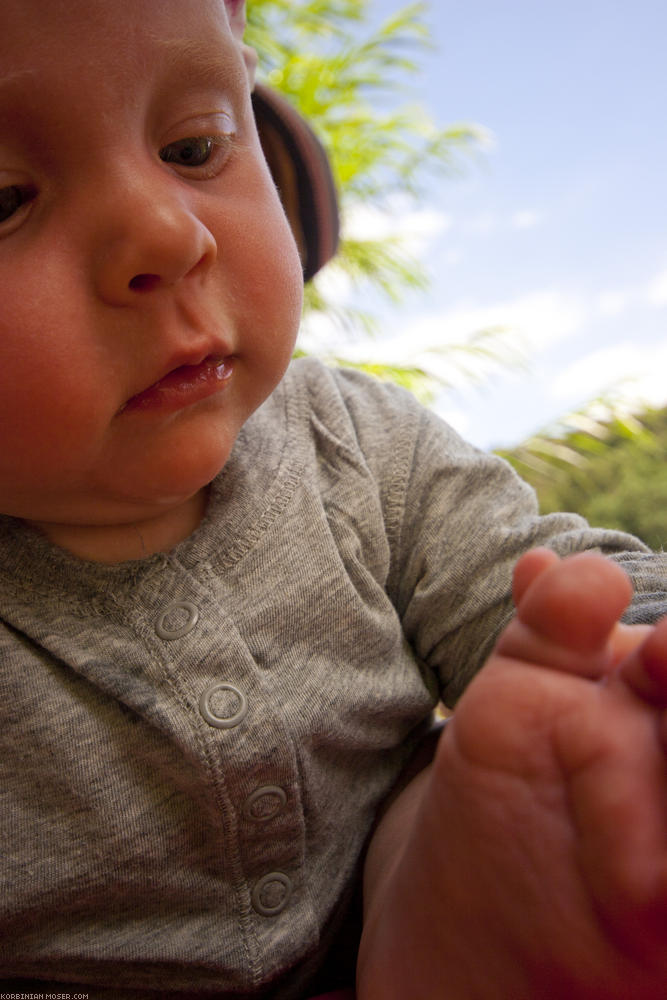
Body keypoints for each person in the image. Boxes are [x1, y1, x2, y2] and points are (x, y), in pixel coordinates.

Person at [0, 1, 665, 998]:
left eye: (193, 146)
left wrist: (632, 668)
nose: (164, 234)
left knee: (504, 743)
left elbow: (545, 581)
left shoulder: (351, 437)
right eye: (4, 200)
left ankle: (461, 922)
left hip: (402, 892)